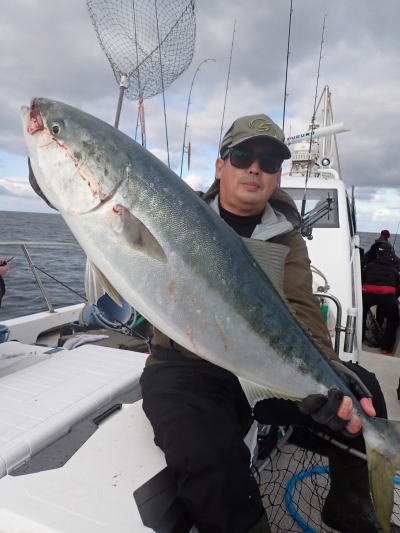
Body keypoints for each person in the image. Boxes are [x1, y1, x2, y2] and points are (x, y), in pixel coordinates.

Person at [140, 114, 396, 533]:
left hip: (262, 366)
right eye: (243, 156)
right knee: (206, 450)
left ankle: (348, 506)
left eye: (269, 162)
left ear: (277, 177)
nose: (255, 168)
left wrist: (329, 377)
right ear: (220, 166)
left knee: (360, 389)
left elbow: (302, 308)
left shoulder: (287, 238)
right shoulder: (181, 214)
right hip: (187, 363)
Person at [362, 242, 400, 355]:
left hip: (368, 295)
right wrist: (393, 298)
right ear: (390, 255)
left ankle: (360, 338)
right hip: (387, 297)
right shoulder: (394, 270)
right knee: (393, 320)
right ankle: (385, 348)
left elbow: (362, 281)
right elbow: (398, 287)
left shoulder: (368, 267)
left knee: (361, 314)